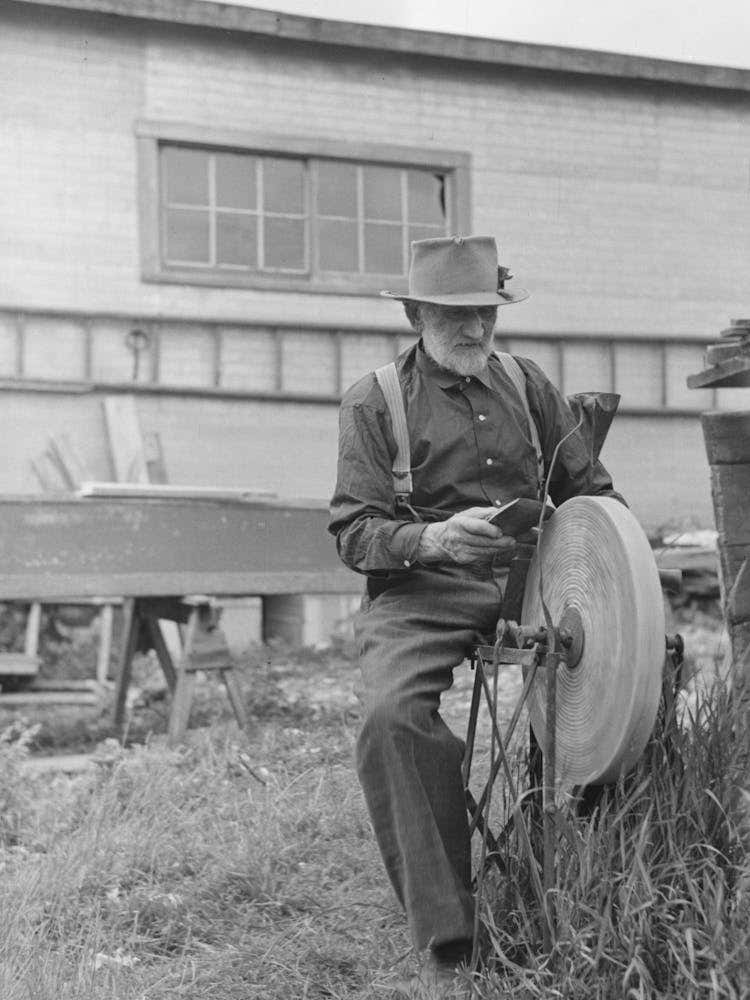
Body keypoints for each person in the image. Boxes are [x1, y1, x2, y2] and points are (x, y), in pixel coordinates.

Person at [328, 235, 623, 997]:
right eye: (458, 315)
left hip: (537, 577)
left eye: (486, 312)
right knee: (391, 716)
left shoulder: (528, 383)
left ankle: (604, 862)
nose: (476, 330)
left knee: (640, 663)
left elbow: (591, 491)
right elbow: (355, 533)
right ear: (419, 313)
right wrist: (430, 537)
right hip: (423, 585)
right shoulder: (373, 400)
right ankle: (450, 934)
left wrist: (619, 575)